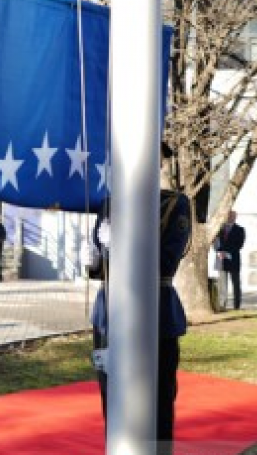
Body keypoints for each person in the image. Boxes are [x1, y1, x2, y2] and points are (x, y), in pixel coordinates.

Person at [80, 142, 190, 455]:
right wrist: (93, 262)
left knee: (158, 399)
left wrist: (118, 246)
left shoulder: (173, 204)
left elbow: (165, 263)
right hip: (110, 311)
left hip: (155, 311)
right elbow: (102, 266)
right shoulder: (109, 204)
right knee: (111, 395)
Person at [216, 210, 245, 310]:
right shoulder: (220, 229)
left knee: (236, 284)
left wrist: (226, 253)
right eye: (229, 215)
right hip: (221, 259)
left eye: (233, 216)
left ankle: (236, 306)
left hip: (234, 260)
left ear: (235, 217)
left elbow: (239, 245)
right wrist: (220, 251)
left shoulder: (240, 230)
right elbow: (216, 242)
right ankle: (222, 304)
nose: (230, 217)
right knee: (222, 284)